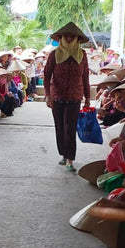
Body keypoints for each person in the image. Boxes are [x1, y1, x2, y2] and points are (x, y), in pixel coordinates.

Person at [44, 22, 90, 172]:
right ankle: (63, 154)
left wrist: (88, 97)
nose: (69, 38)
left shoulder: (82, 55)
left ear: (77, 38)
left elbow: (85, 77)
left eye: (72, 36)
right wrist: (47, 95)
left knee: (70, 128)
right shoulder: (54, 55)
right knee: (60, 128)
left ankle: (70, 159)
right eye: (66, 36)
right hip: (57, 96)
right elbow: (46, 75)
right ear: (61, 38)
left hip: (75, 97)